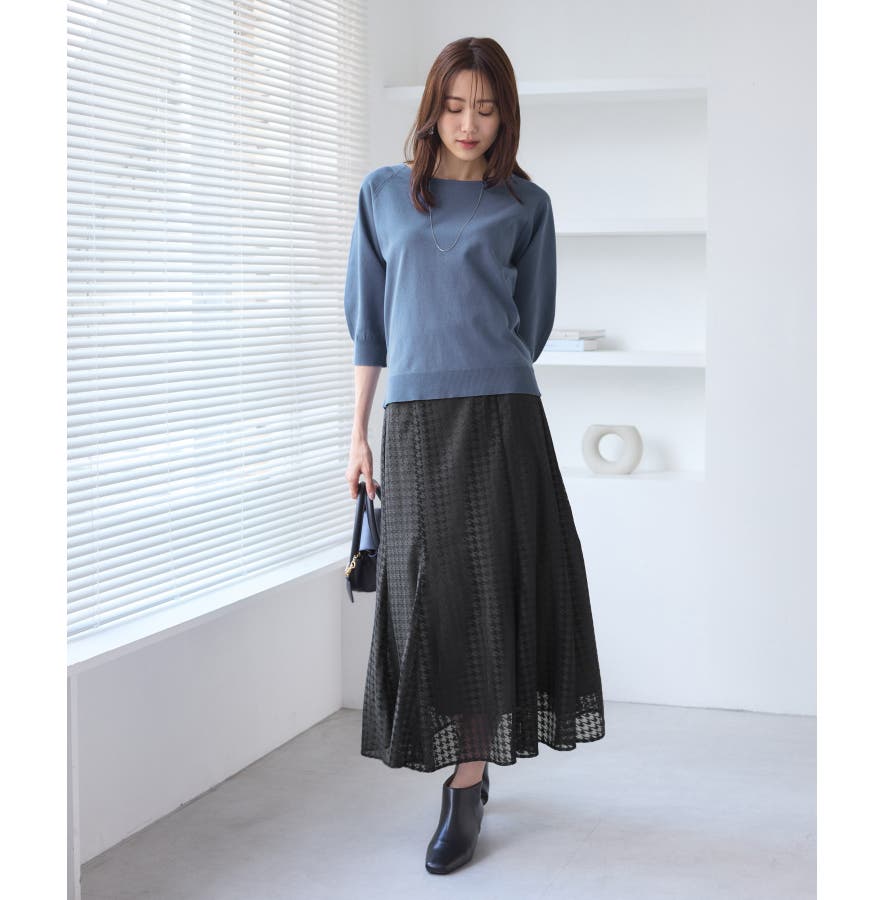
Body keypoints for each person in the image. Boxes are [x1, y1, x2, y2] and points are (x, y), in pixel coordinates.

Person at [343, 36, 605, 875]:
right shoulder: (383, 195)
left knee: (492, 595)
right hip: (414, 422)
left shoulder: (526, 205)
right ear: (432, 109)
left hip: (501, 416)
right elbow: (370, 326)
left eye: (486, 109)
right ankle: (465, 770)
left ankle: (466, 782)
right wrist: (357, 433)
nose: (469, 123)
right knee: (433, 595)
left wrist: (483, 367)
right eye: (455, 106)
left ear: (506, 116)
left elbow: (533, 322)